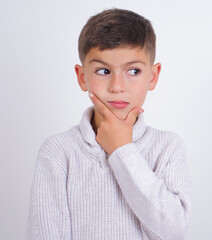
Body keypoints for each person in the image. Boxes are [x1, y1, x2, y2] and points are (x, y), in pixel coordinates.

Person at [26, 8, 192, 240]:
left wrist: (122, 150)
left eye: (133, 71)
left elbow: (174, 232)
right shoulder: (57, 153)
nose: (117, 86)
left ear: (152, 77)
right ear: (82, 77)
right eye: (103, 71)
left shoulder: (168, 148)